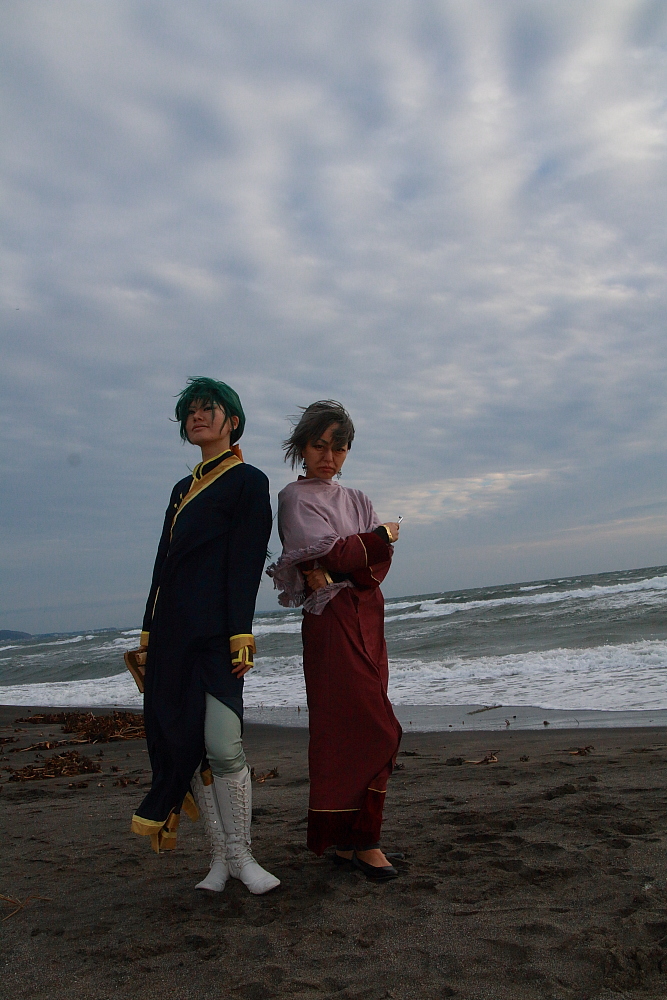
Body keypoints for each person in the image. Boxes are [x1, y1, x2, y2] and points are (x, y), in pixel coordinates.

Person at [131, 377, 279, 895]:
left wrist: (241, 632)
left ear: (232, 421)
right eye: (190, 411)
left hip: (217, 635)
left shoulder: (249, 481)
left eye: (208, 409)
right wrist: (148, 632)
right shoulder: (180, 489)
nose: (197, 417)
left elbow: (245, 563)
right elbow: (162, 565)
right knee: (185, 741)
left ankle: (243, 856)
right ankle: (220, 858)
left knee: (222, 742)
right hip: (172, 636)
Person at [267, 400, 402, 882]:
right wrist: (381, 536)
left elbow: (369, 565)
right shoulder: (294, 498)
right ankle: (364, 842)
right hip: (330, 623)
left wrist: (350, 559)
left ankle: (350, 842)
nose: (329, 457)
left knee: (364, 722)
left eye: (339, 448)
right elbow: (343, 553)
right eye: (319, 446)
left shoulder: (357, 497)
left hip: (369, 616)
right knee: (370, 728)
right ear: (301, 447)